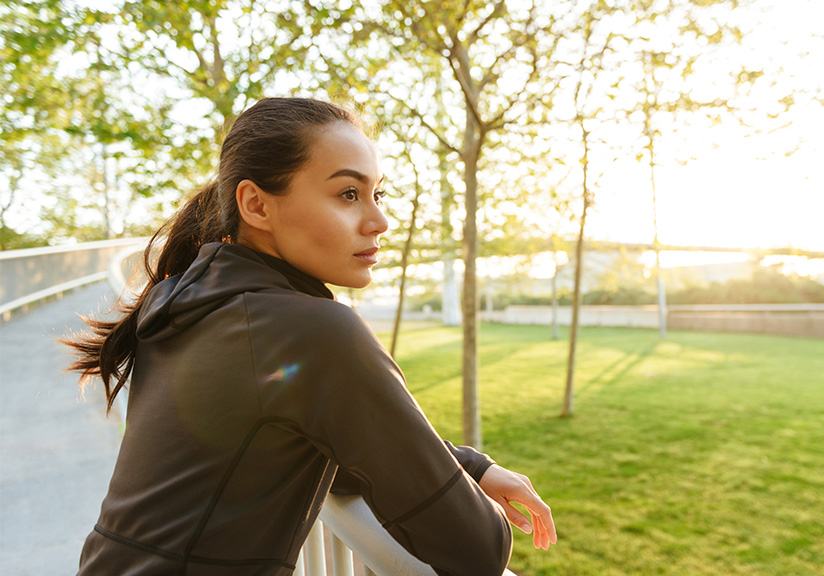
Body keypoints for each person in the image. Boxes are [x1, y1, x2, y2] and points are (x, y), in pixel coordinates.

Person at [64, 97, 556, 576]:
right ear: (256, 205)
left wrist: (470, 467)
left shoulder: (183, 299)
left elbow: (321, 444)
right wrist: (473, 500)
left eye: (377, 194)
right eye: (348, 194)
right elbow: (476, 547)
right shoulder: (310, 329)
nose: (379, 221)